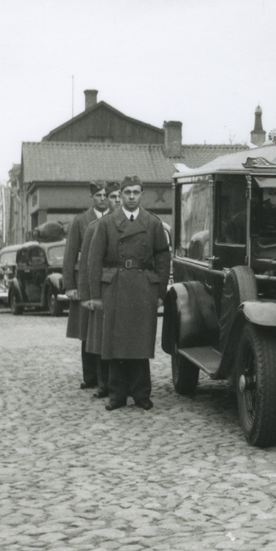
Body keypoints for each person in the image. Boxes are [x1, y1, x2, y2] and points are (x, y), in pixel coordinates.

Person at [85, 175, 170, 411]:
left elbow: (163, 258)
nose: (131, 197)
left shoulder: (152, 223)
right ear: (120, 195)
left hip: (143, 288)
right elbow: (94, 261)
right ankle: (117, 395)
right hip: (115, 287)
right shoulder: (106, 224)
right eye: (127, 192)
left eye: (136, 192)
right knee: (116, 342)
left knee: (140, 342)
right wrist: (95, 295)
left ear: (142, 194)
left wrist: (160, 291)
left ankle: (142, 394)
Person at [63, 181, 109, 390]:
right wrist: (70, 286)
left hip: (105, 281)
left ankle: (106, 377)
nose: (103, 199)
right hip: (84, 281)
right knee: (86, 330)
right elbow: (70, 254)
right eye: (98, 195)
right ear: (92, 197)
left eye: (105, 195)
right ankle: (90, 377)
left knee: (104, 330)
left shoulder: (114, 218)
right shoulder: (80, 221)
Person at [79, 182, 122, 398]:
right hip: (104, 289)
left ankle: (125, 383)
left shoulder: (133, 224)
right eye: (112, 197)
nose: (116, 200)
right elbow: (88, 265)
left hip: (126, 289)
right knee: (102, 338)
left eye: (118, 196)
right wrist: (87, 295)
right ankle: (104, 383)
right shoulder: (94, 228)